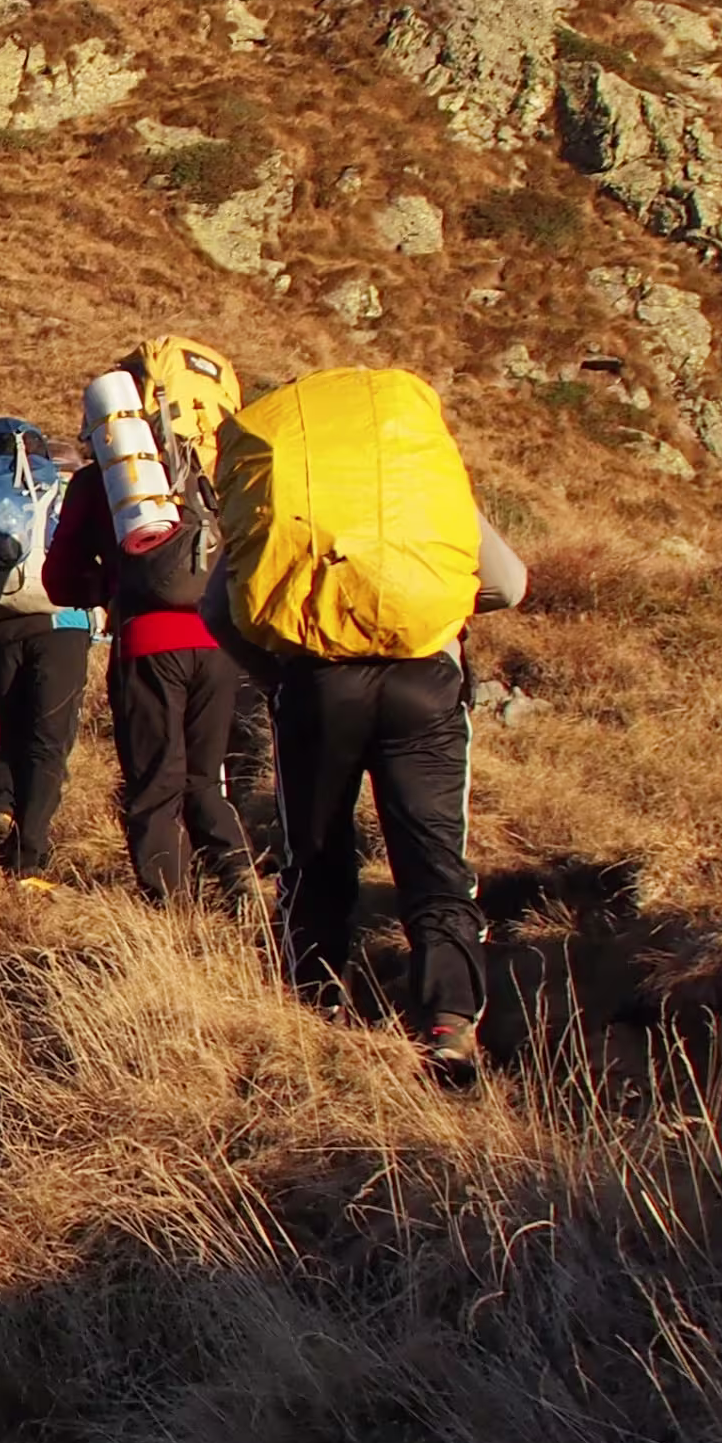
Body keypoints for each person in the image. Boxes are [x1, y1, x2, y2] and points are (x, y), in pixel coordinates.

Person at [214, 365, 532, 1089]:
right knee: (434, 861)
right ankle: (448, 1027)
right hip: (425, 679)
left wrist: (279, 676)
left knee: (316, 858)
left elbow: (219, 611)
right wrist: (438, 612)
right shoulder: (423, 488)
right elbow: (509, 584)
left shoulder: (284, 493)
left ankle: (314, 1013)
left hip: (318, 685)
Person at [43, 342, 253, 908]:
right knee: (206, 781)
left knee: (155, 784)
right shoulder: (215, 467)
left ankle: (170, 915)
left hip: (146, 644)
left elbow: (59, 582)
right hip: (222, 641)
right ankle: (243, 891)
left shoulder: (106, 482)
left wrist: (106, 586)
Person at [0, 416, 97, 893]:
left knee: (13, 729)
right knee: (48, 742)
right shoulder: (58, 491)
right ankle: (29, 864)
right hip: (60, 623)